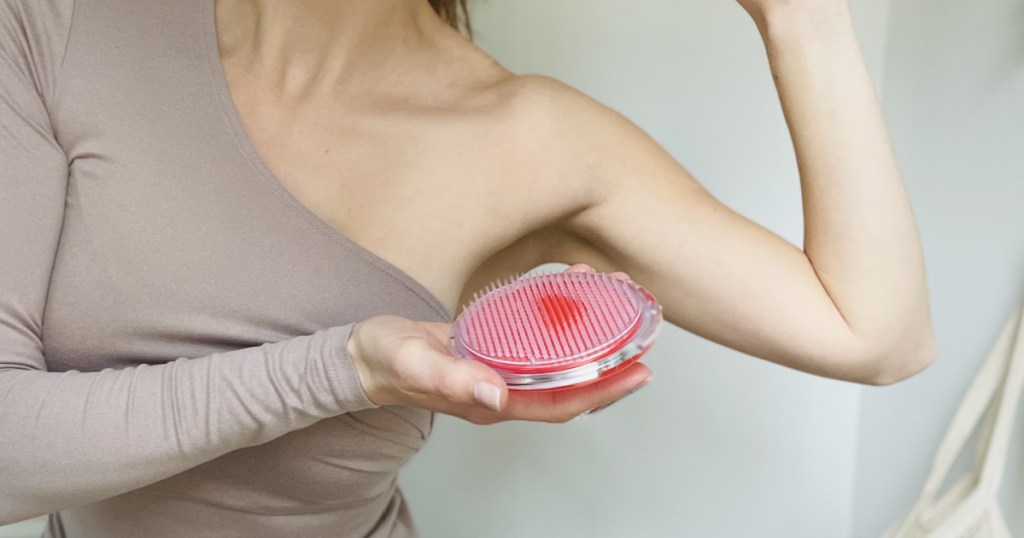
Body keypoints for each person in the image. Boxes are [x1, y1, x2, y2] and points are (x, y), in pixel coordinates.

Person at [0, 0, 937, 536]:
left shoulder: (528, 137)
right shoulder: (63, 24)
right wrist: (347, 367)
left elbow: (877, 334)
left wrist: (801, 20)